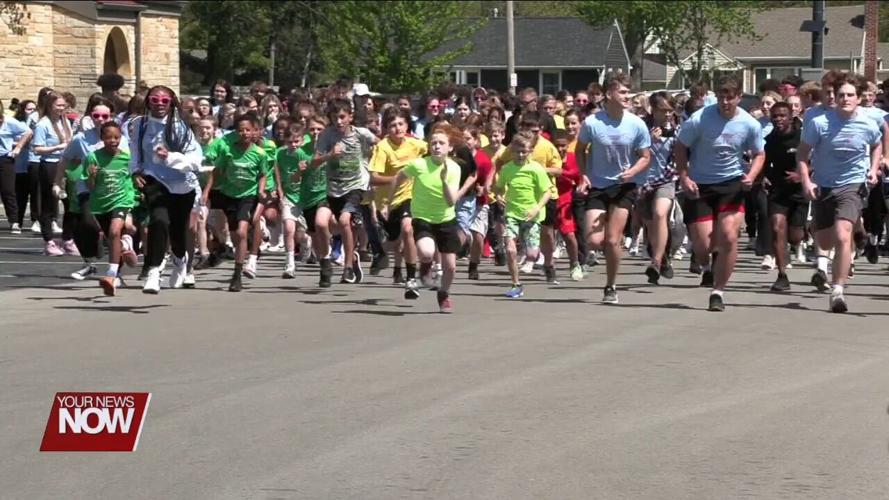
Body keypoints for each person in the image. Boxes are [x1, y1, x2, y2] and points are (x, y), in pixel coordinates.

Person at [675, 75, 765, 311]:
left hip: (731, 184)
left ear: (739, 97)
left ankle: (718, 291)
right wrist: (684, 176)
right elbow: (681, 146)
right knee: (703, 245)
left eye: (730, 97)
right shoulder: (699, 119)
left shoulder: (749, 123)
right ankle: (706, 265)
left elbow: (759, 153)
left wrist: (751, 175)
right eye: (721, 97)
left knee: (729, 236)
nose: (725, 102)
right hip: (700, 185)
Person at [797, 73, 882, 313]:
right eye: (841, 95)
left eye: (850, 95)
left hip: (852, 185)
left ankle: (837, 291)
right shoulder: (819, 123)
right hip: (823, 185)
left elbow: (877, 145)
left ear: (858, 99)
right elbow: (802, 153)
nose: (845, 99)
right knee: (824, 241)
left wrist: (873, 169)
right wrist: (806, 181)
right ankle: (858, 236)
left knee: (842, 235)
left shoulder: (867, 123)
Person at [575, 72, 652, 304]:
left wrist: (633, 172)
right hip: (598, 184)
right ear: (609, 94)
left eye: (629, 92)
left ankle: (611, 286)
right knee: (594, 241)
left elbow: (645, 156)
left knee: (611, 240)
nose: (627, 96)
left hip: (623, 186)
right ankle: (605, 251)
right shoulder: (592, 122)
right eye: (623, 92)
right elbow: (580, 150)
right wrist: (584, 175)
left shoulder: (636, 124)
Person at [130, 85, 203, 294]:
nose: (159, 105)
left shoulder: (181, 127)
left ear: (171, 103)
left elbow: (195, 160)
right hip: (154, 180)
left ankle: (180, 259)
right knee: (159, 220)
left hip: (182, 184)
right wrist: (135, 171)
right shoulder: (139, 124)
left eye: (164, 101)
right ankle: (154, 271)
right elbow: (134, 150)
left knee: (177, 230)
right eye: (155, 100)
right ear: (148, 102)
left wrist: (169, 157)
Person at [393, 127, 462, 312]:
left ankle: (444, 293)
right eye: (434, 143)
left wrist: (444, 180)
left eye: (441, 143)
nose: (437, 146)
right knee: (426, 251)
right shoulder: (419, 165)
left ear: (450, 148)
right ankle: (425, 266)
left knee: (450, 267)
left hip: (446, 219)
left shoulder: (454, 168)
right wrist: (389, 200)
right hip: (422, 217)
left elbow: (451, 201)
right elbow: (399, 177)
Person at [311, 98, 378, 287]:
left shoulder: (361, 134)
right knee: (320, 223)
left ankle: (348, 266)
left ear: (350, 116)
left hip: (355, 187)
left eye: (342, 117)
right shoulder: (327, 135)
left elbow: (382, 145)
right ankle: (325, 262)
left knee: (344, 221)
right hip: (333, 188)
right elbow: (314, 161)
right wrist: (330, 155)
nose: (339, 121)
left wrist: (373, 161)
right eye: (335, 118)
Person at [202, 113, 268, 292]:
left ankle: (237, 274)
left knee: (241, 231)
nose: (244, 133)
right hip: (230, 195)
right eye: (241, 130)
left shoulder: (259, 153)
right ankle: (242, 254)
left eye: (248, 130)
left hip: (248, 196)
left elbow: (262, 175)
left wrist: (261, 190)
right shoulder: (229, 150)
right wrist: (207, 191)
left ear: (253, 132)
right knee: (235, 235)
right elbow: (217, 171)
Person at [369, 108, 427, 284]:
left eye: (401, 124)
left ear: (407, 125)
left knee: (408, 229)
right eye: (392, 125)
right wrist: (396, 178)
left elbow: (434, 149)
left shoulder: (416, 144)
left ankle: (411, 277)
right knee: (395, 241)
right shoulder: (382, 148)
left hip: (409, 196)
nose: (397, 128)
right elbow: (373, 178)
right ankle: (384, 257)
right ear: (386, 128)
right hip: (387, 201)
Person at [496, 131, 554, 298]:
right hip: (512, 214)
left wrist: (537, 208)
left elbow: (548, 192)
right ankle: (516, 284)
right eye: (517, 152)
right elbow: (498, 187)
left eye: (524, 152)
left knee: (532, 255)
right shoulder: (507, 169)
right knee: (510, 250)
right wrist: (499, 196)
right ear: (512, 151)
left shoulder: (535, 169)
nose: (520, 155)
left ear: (530, 151)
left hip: (532, 215)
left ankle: (532, 251)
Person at [84, 122, 138, 296]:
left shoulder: (127, 158)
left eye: (116, 137)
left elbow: (133, 178)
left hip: (122, 200)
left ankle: (111, 275)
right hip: (101, 204)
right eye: (108, 137)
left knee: (114, 231)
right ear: (102, 138)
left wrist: (137, 195)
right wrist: (92, 176)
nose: (113, 141)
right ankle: (125, 244)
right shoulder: (93, 157)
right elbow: (90, 186)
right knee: (113, 240)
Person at [763, 102, 805, 291]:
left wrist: (802, 173)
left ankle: (797, 241)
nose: (778, 119)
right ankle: (782, 275)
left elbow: (817, 159)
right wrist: (763, 176)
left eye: (782, 116)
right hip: (778, 190)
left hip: (800, 190)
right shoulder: (769, 140)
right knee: (776, 227)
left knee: (795, 237)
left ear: (790, 117)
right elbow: (763, 162)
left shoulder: (802, 137)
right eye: (775, 116)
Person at [638, 91, 678, 284]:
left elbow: (684, 152)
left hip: (666, 179)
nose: (668, 114)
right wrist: (649, 141)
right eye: (663, 110)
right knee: (651, 224)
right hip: (644, 182)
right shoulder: (642, 128)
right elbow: (632, 152)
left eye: (670, 110)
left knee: (660, 213)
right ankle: (663, 258)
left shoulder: (677, 130)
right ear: (653, 110)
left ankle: (655, 262)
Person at [32, 91, 73, 256]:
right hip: (50, 164)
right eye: (58, 105)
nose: (61, 108)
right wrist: (57, 147)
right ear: (49, 106)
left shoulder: (65, 121)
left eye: (63, 105)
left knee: (70, 203)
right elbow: (37, 149)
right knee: (49, 204)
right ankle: (48, 240)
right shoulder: (43, 124)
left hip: (67, 164)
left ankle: (67, 238)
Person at [275, 123, 313, 278]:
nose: (293, 145)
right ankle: (289, 264)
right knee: (288, 228)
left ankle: (305, 242)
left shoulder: (304, 154)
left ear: (302, 140)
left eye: (296, 141)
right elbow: (277, 172)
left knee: (303, 232)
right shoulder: (280, 153)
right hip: (289, 196)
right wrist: (279, 191)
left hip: (305, 197)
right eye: (290, 142)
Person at [0, 108, 32, 233]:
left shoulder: (9, 122)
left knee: (8, 191)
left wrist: (18, 147)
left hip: (5, 158)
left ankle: (14, 221)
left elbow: (28, 132)